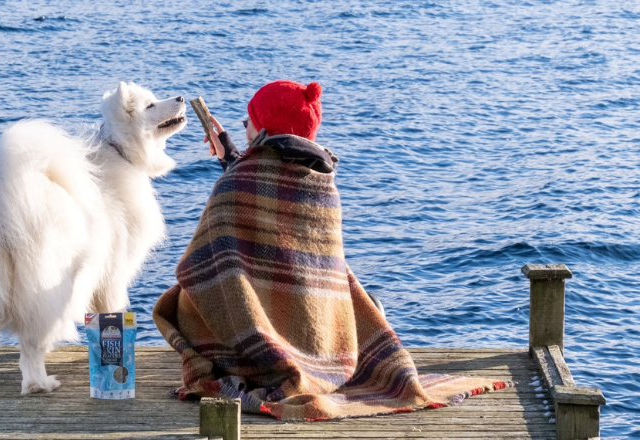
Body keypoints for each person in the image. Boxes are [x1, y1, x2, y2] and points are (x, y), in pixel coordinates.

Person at [152, 80, 509, 422]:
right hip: (319, 331)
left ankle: (254, 359)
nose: (244, 123)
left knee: (184, 297)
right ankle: (315, 353)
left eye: (251, 119)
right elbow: (268, 196)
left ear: (262, 131)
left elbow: (202, 262)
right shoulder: (323, 183)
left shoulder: (235, 185)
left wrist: (234, 167)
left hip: (257, 339)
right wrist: (231, 155)